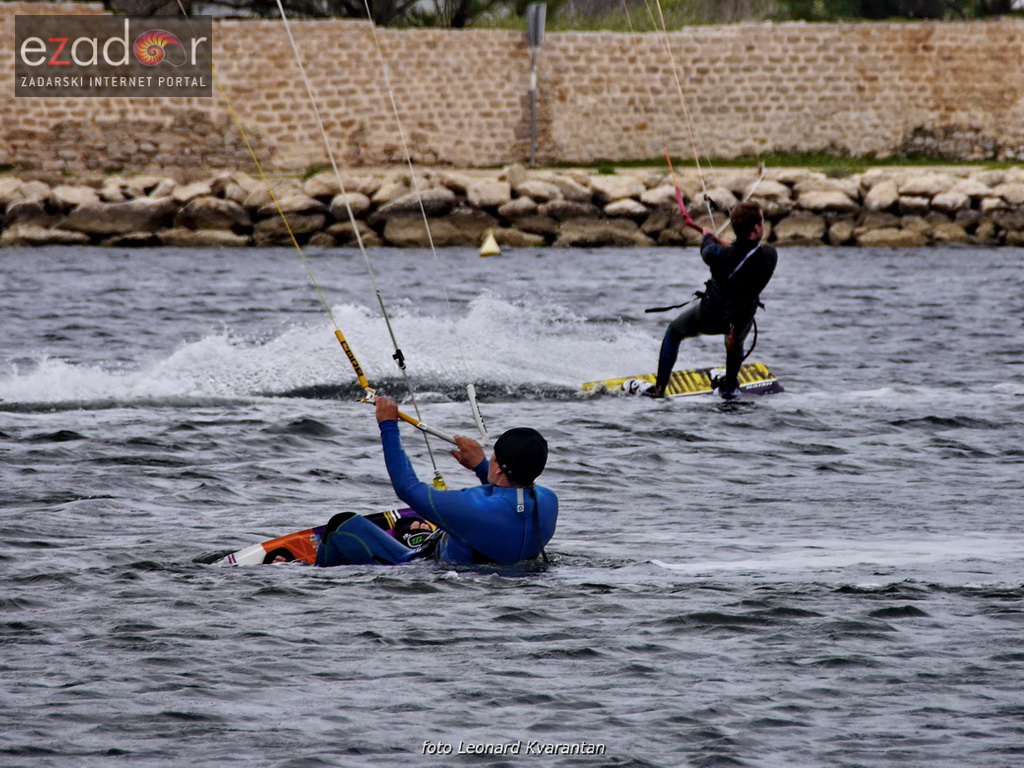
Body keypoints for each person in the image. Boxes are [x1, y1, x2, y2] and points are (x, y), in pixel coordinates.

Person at [315, 396, 557, 567]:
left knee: (341, 524)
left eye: (492, 456)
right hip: (499, 570)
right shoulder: (549, 502)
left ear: (500, 467)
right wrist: (480, 465)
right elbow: (508, 499)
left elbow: (406, 487)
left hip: (422, 569)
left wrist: (388, 426)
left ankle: (315, 576)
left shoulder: (473, 508)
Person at [649, 200, 777, 399]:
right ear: (757, 228)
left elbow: (708, 250)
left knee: (674, 332)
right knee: (735, 340)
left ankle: (659, 389)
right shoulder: (769, 256)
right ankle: (730, 384)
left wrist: (708, 235)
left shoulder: (717, 255)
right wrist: (723, 242)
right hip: (740, 319)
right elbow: (745, 254)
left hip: (711, 314)